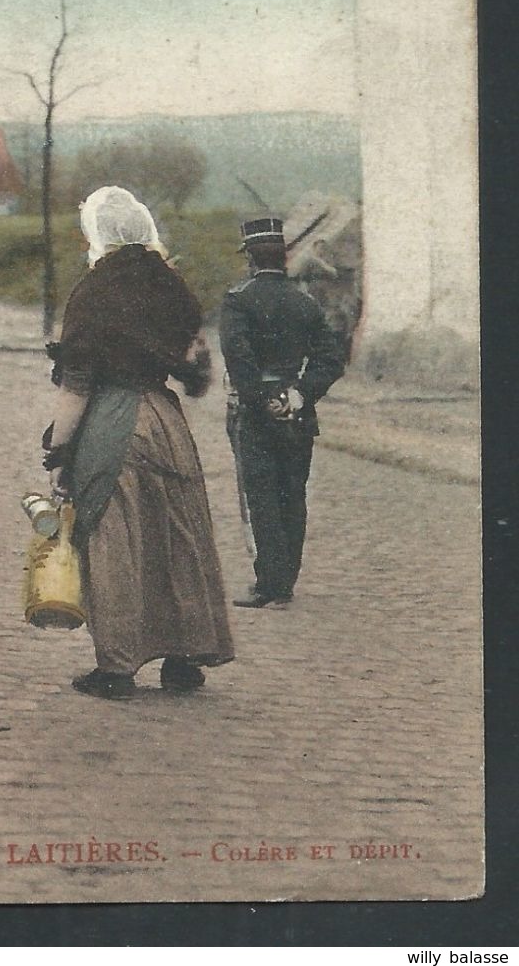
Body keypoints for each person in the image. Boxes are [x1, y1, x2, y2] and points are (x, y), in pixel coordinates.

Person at [42, 186, 234, 700]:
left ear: (98, 234)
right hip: (166, 422)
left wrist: (60, 453)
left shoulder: (94, 292)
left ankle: (118, 667)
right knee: (176, 537)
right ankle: (183, 658)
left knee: (115, 539)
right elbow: (197, 368)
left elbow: (77, 383)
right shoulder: (172, 287)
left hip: (114, 420)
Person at [220, 217, 347, 609]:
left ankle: (268, 583)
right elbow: (331, 358)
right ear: (285, 256)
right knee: (293, 494)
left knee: (261, 496)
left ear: (251, 260)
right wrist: (297, 396)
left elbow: (239, 362)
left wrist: (262, 400)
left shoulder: (238, 300)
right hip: (297, 412)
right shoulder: (306, 302)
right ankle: (285, 580)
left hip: (254, 412)